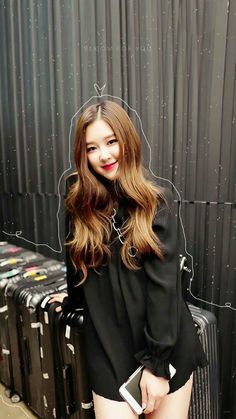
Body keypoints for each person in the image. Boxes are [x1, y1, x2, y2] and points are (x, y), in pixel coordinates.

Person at [48, 100, 208, 419]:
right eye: (92, 147)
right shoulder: (77, 199)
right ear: (83, 153)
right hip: (108, 347)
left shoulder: (155, 201)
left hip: (163, 344)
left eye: (111, 141)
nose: (104, 155)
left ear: (127, 141)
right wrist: (73, 301)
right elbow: (75, 261)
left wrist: (157, 366)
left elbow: (164, 290)